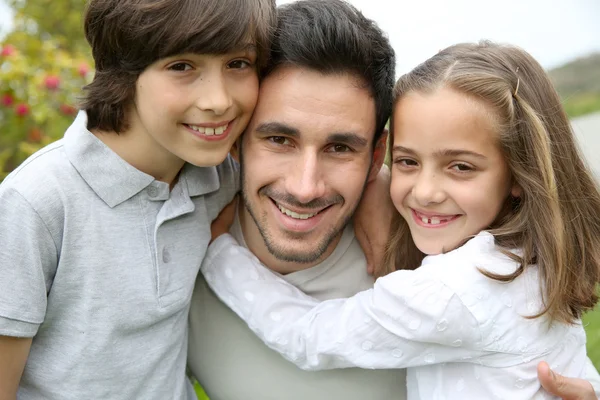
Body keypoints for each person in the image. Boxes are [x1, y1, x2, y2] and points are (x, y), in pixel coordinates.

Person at [201, 40, 600, 399]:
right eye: (407, 161)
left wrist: (220, 254)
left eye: (460, 167)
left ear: (518, 173)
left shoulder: (454, 290)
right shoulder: (527, 264)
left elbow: (310, 337)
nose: (425, 192)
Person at [0, 0, 275, 398]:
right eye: (182, 66)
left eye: (238, 64)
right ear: (123, 70)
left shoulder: (220, 178)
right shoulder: (36, 203)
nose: (218, 100)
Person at [187, 1, 403, 398]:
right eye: (279, 140)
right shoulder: (177, 261)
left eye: (339, 148)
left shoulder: (426, 264)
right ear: (236, 140)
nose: (305, 188)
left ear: (376, 157)